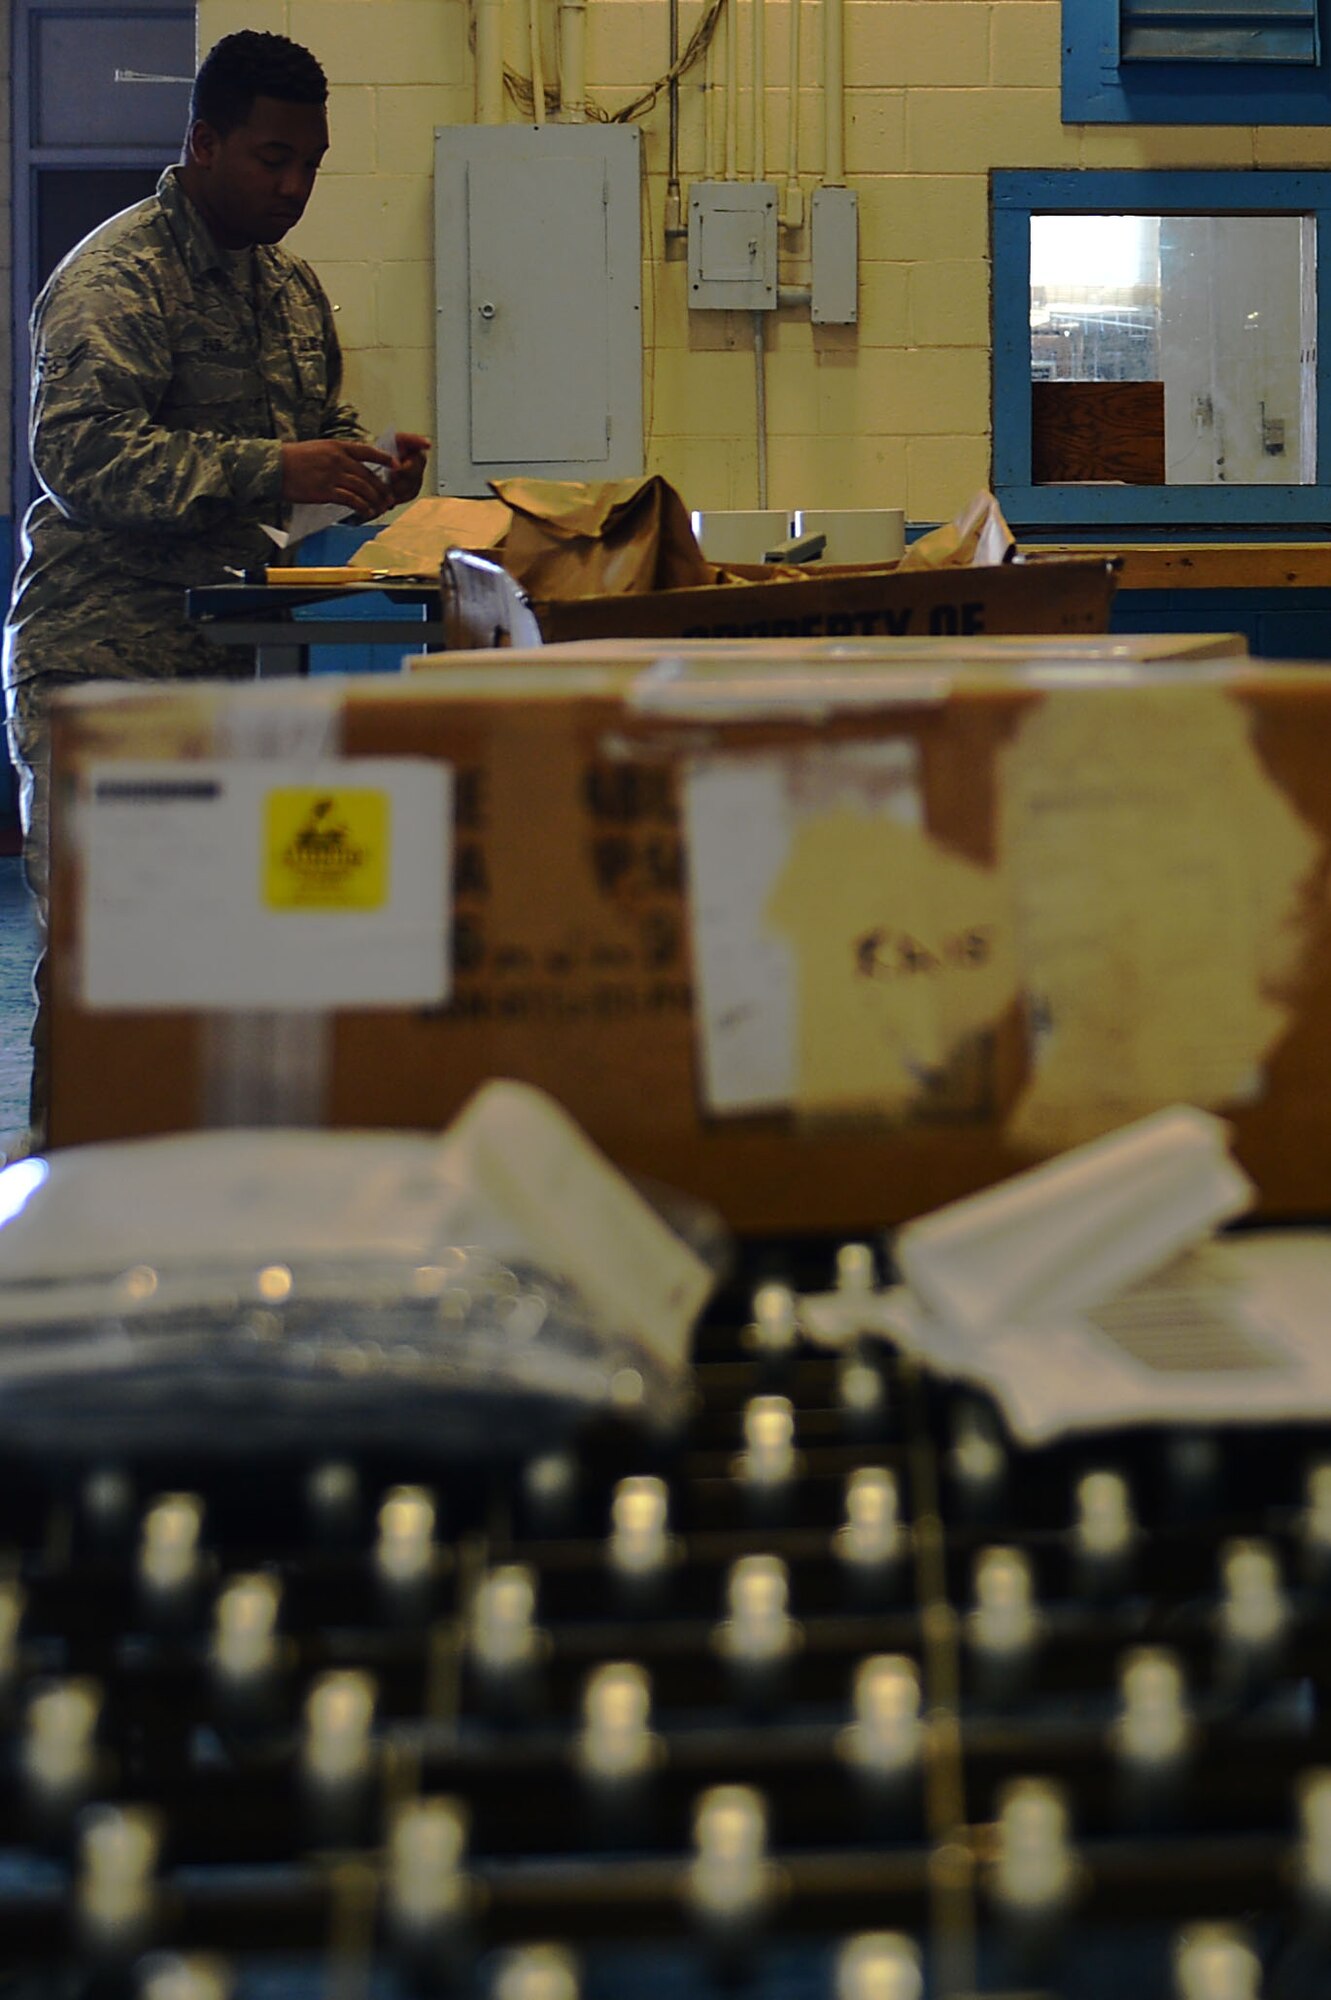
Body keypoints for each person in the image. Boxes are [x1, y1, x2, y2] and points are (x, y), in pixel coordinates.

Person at [1, 30, 429, 1133]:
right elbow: (79, 458)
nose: (294, 188)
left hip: (233, 670)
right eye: (271, 158)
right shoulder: (117, 276)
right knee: (105, 960)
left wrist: (363, 469)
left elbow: (311, 435)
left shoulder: (287, 289)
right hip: (102, 670)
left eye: (311, 166)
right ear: (201, 143)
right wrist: (269, 468)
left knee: (228, 953)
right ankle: (68, 1192)